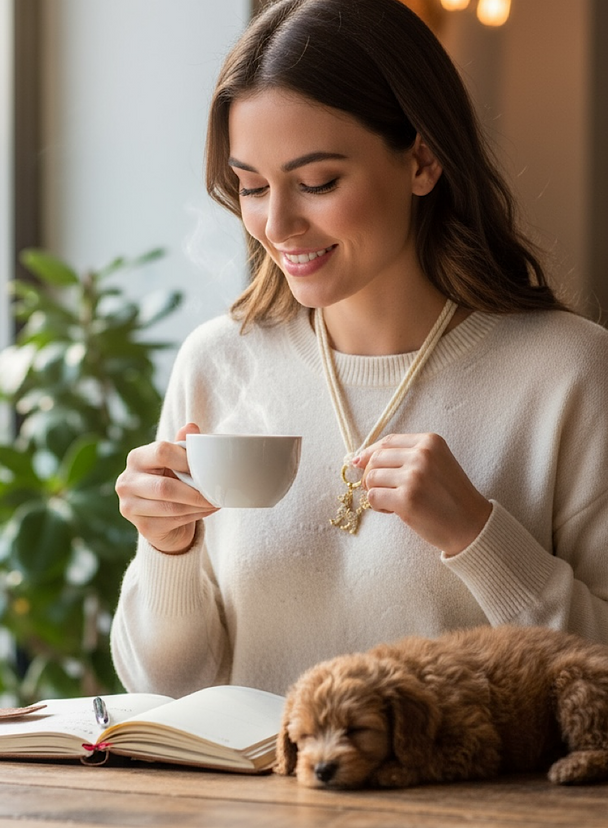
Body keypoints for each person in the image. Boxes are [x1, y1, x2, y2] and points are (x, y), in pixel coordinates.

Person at [111, 0, 608, 699]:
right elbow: (165, 690)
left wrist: (480, 537)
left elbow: (600, 681)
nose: (276, 224)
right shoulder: (218, 364)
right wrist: (167, 550)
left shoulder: (570, 373)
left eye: (318, 183)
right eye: (252, 186)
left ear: (423, 160)